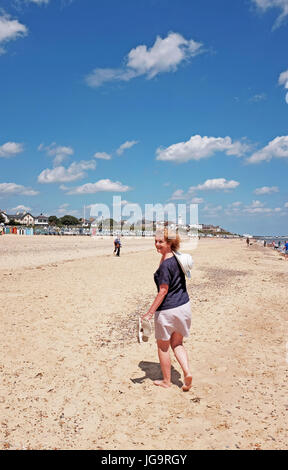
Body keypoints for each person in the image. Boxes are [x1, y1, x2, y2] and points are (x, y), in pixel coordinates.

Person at [141, 229, 192, 391]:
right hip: (184, 306)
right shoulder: (178, 259)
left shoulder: (166, 265)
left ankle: (167, 381)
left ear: (170, 243)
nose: (156, 244)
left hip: (168, 310)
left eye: (160, 242)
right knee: (177, 343)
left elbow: (163, 291)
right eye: (155, 241)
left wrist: (149, 313)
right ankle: (187, 372)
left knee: (163, 346)